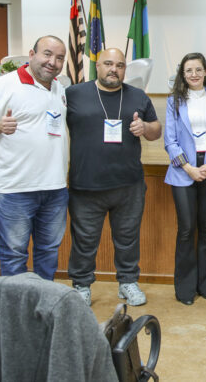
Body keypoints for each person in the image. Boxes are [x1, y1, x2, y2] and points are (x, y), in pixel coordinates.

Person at [66, 48, 162, 306]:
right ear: (97, 66)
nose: (114, 69)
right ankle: (82, 285)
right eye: (108, 64)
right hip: (86, 185)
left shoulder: (137, 96)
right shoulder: (74, 94)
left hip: (128, 185)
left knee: (128, 238)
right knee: (84, 240)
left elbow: (156, 131)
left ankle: (128, 282)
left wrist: (145, 128)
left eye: (119, 65)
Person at [0, 35, 68, 280]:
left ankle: (42, 310)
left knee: (48, 253)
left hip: (54, 189)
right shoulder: (6, 85)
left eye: (59, 58)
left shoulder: (59, 88)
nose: (52, 62)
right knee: (14, 257)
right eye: (47, 54)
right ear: (32, 54)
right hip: (14, 191)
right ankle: (17, 316)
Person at [164, 53, 206, 306]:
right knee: (186, 229)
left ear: (205, 73)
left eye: (198, 69)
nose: (194, 74)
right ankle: (185, 287)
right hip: (184, 171)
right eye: (188, 70)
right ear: (182, 74)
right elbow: (169, 140)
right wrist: (189, 168)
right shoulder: (173, 101)